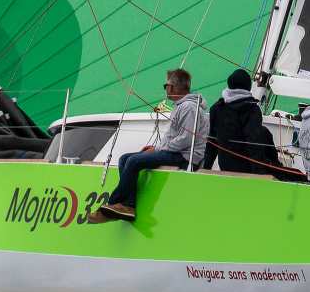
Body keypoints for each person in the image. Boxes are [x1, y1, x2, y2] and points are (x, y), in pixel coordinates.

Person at [90, 68, 209, 223]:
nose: (165, 89)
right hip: (176, 152)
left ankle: (112, 204)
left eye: (165, 85)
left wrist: (158, 149)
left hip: (185, 156)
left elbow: (186, 139)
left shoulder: (188, 107)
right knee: (125, 159)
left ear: (171, 87)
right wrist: (156, 148)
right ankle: (129, 206)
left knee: (134, 161)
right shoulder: (181, 106)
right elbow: (173, 137)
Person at [203, 69, 279, 174]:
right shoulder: (252, 109)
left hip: (225, 167)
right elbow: (254, 144)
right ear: (248, 87)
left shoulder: (216, 108)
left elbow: (212, 143)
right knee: (264, 132)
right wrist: (259, 174)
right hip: (247, 169)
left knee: (263, 132)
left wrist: (205, 168)